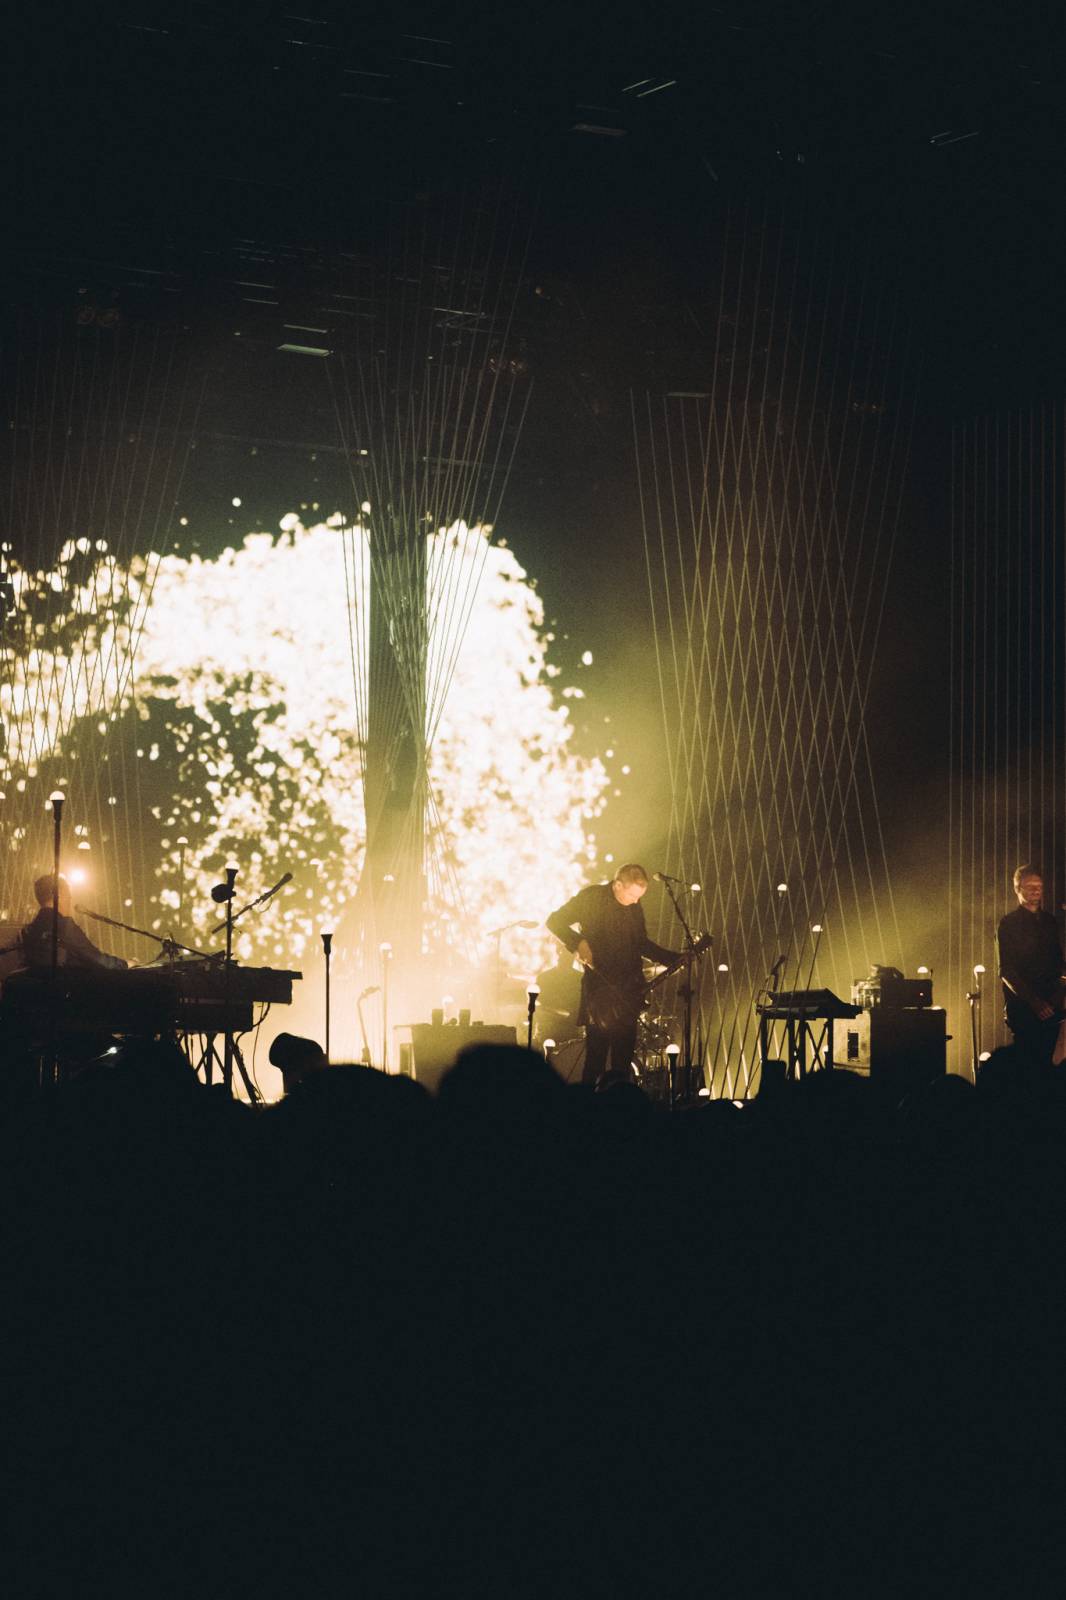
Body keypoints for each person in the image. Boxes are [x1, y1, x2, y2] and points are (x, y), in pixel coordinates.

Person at [546, 863, 680, 1085]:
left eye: (639, 896)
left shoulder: (634, 906)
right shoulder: (592, 897)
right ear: (617, 885)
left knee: (623, 1059)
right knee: (596, 1057)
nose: (635, 901)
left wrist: (671, 958)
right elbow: (554, 920)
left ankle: (620, 1107)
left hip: (629, 990)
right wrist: (578, 942)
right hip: (600, 990)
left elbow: (640, 943)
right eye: (631, 895)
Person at [997, 864, 1064, 1069]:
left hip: (1052, 1006)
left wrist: (1056, 995)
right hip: (1024, 1008)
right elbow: (1006, 970)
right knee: (1027, 1064)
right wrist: (1035, 1002)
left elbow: (1058, 964)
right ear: (1017, 889)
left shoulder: (1050, 922)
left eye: (1039, 885)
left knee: (1049, 1062)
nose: (1036, 890)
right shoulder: (1009, 924)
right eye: (1030, 886)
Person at [20, 873, 128, 971]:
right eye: (68, 893)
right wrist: (125, 964)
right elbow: (97, 959)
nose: (70, 898)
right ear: (59, 895)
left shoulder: (31, 928)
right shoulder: (62, 925)